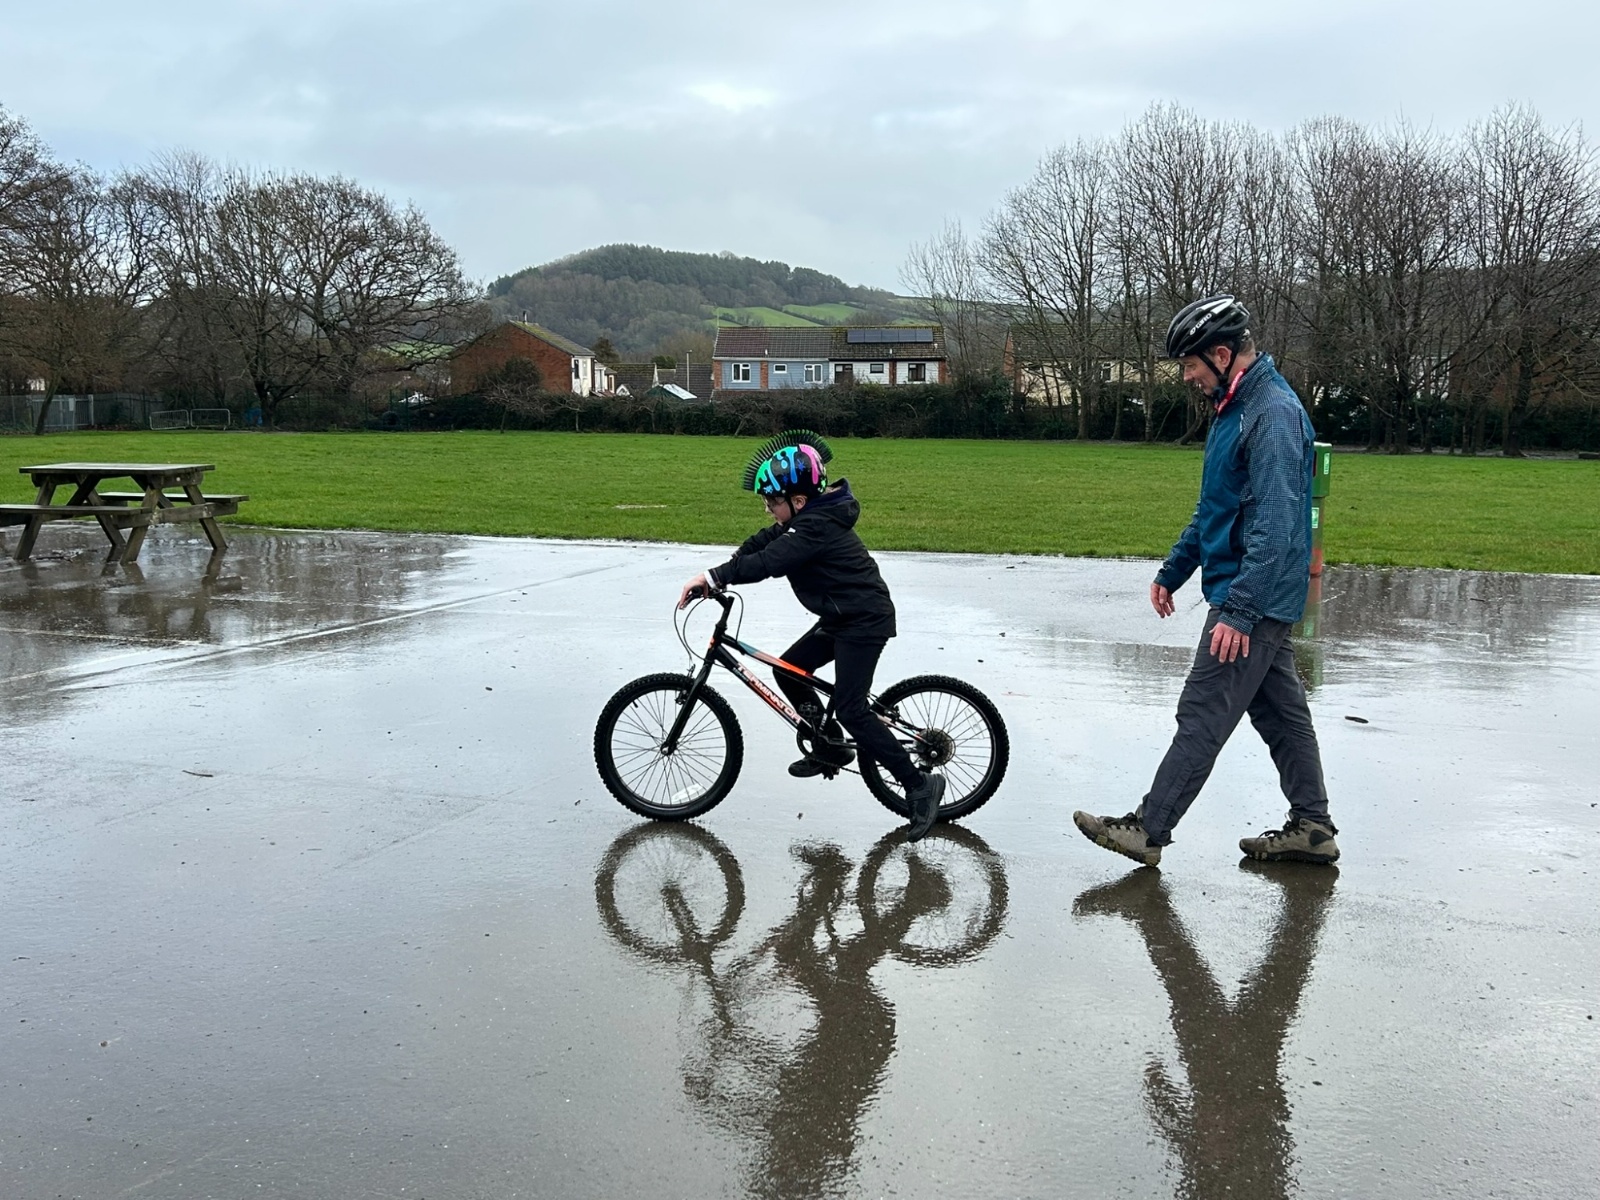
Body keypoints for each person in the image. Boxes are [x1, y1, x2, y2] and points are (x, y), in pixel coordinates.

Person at [1074, 296, 1339, 868]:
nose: (1187, 376)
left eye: (1191, 365)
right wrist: (1175, 568)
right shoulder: (1233, 409)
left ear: (1221, 355)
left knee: (1203, 710)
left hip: (1252, 594)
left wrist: (1240, 610)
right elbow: (1216, 507)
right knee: (1281, 715)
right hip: (1248, 589)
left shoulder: (1272, 413)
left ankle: (1149, 830)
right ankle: (1313, 828)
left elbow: (1276, 523)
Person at [677, 431, 946, 840]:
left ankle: (919, 785)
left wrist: (716, 578)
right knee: (789, 669)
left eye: (773, 502)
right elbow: (764, 543)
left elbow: (771, 561)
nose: (768, 509)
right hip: (842, 616)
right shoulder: (804, 520)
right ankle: (829, 744)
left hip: (863, 620)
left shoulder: (814, 527)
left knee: (852, 709)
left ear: (799, 501)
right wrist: (725, 569)